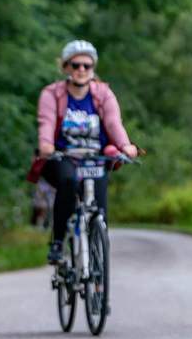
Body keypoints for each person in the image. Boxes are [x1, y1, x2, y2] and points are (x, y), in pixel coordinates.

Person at [35, 40, 137, 264]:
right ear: (65, 67)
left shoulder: (103, 94)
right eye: (75, 65)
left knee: (100, 211)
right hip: (63, 157)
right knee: (69, 182)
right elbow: (46, 123)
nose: (81, 70)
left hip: (94, 159)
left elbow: (113, 123)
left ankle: (99, 277)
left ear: (93, 69)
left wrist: (126, 145)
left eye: (87, 66)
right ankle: (58, 242)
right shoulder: (52, 94)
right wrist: (46, 145)